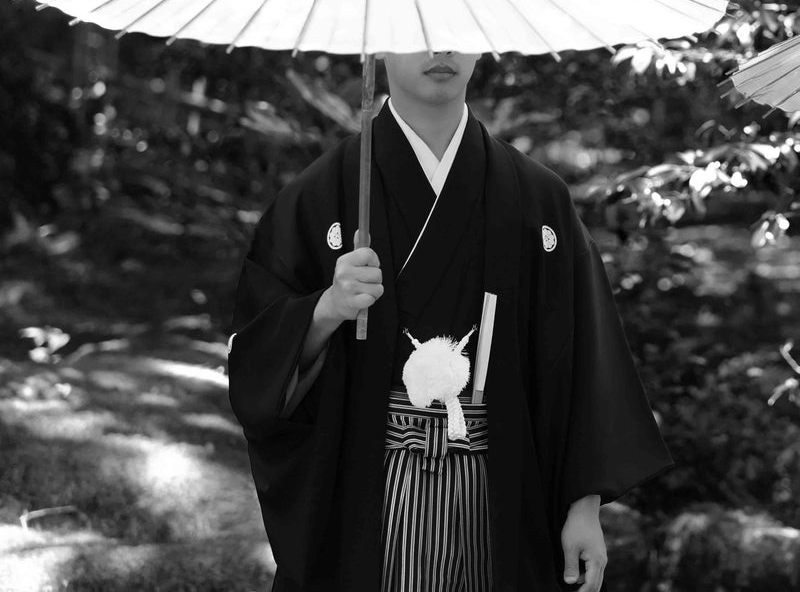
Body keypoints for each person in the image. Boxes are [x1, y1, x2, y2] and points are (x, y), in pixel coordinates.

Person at [228, 51, 673, 592]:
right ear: (379, 47)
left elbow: (581, 358)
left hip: (502, 497)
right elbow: (254, 361)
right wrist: (325, 309)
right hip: (364, 499)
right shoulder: (319, 195)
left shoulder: (537, 197)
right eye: (418, 32)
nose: (441, 50)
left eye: (457, 34)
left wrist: (584, 505)